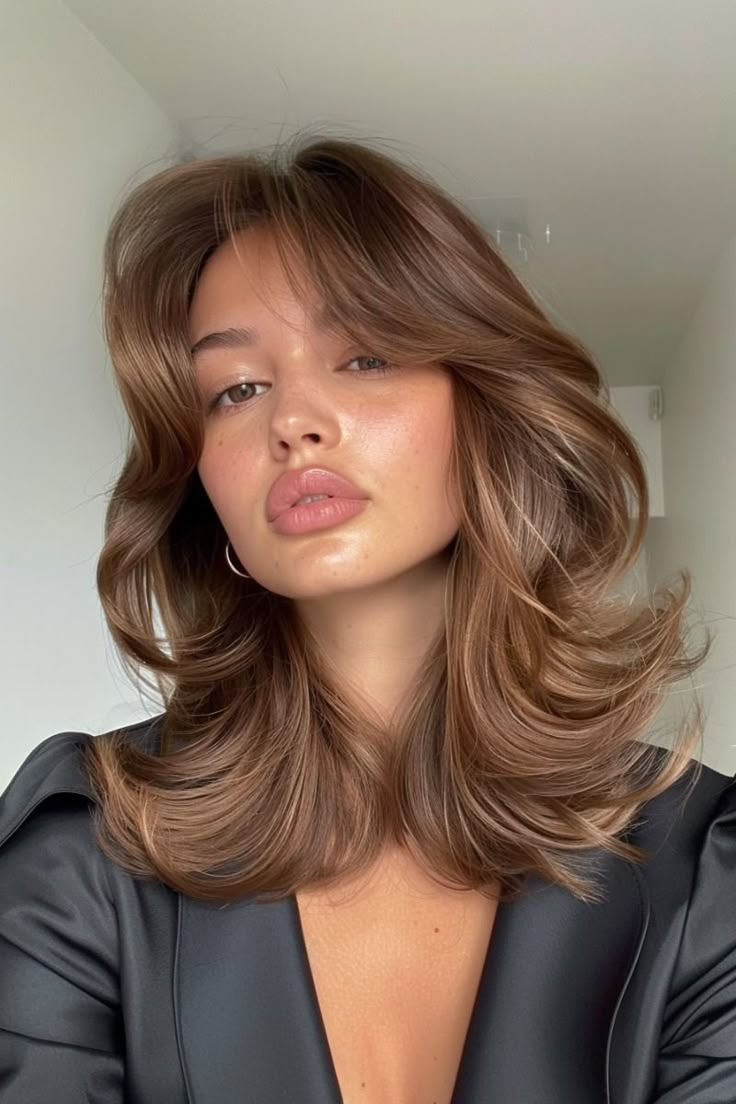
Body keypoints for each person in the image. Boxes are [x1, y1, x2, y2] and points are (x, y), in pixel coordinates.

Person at [0, 130, 734, 1104]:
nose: (292, 420)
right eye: (236, 389)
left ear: (485, 411)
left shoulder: (703, 867)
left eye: (365, 355)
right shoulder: (89, 843)